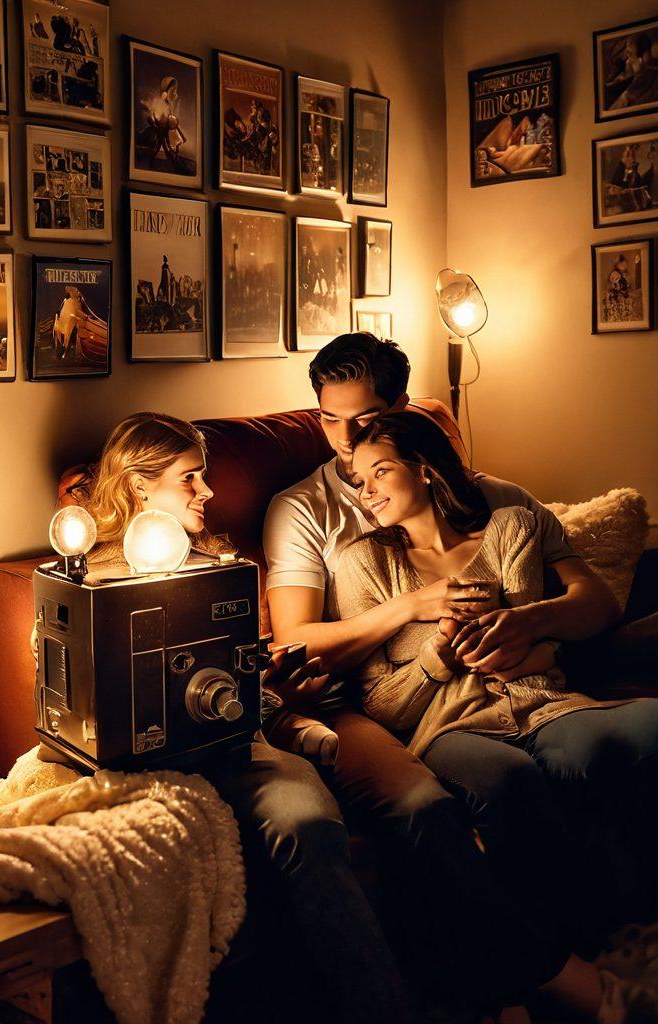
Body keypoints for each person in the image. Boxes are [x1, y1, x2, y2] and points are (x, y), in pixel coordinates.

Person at [262, 332, 627, 1011]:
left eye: (364, 419)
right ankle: (556, 978)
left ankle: (581, 950)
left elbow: (590, 600)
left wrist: (531, 622)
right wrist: (413, 608)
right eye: (329, 418)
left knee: (584, 753)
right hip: (365, 701)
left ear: (405, 412)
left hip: (513, 687)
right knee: (432, 804)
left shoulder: (493, 499)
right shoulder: (303, 510)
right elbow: (296, 646)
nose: (345, 442)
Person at [65, 411, 411, 1023]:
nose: (208, 492)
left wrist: (277, 694)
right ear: (140, 486)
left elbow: (241, 683)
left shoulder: (220, 563)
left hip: (240, 743)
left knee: (305, 823)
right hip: (146, 765)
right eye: (189, 479)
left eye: (206, 477)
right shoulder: (88, 579)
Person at [335, 409, 658, 1024]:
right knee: (508, 782)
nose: (366, 490)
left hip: (544, 704)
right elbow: (378, 703)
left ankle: (619, 934)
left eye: (380, 471)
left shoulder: (509, 526)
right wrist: (434, 656)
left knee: (647, 730)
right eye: (358, 479)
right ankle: (560, 969)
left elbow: (533, 635)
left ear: (425, 471)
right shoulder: (361, 565)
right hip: (449, 728)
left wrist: (524, 639)